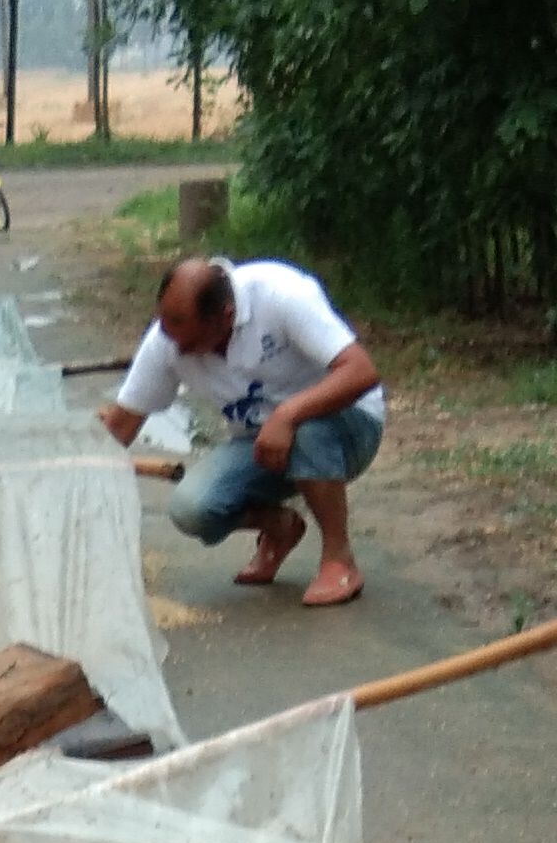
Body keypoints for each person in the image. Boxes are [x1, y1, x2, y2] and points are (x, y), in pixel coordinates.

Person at [98, 252, 385, 607]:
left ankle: (339, 560)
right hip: (262, 443)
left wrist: (287, 415)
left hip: (348, 424)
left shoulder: (281, 295)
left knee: (308, 430)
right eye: (168, 333)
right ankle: (280, 527)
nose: (176, 348)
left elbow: (361, 371)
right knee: (192, 508)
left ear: (226, 318)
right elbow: (121, 425)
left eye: (187, 341)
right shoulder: (168, 339)